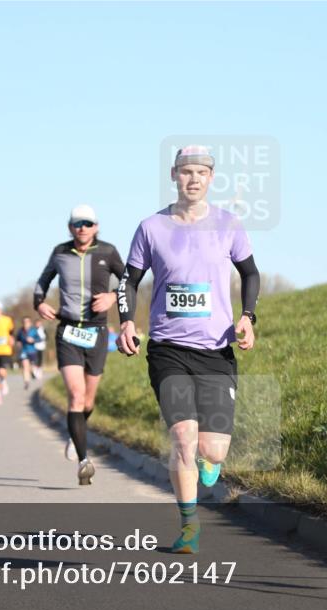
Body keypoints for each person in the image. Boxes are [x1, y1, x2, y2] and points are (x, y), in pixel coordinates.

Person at [117, 145, 260, 554]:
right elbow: (128, 280)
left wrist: (248, 316)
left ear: (211, 178)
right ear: (174, 176)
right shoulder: (151, 227)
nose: (192, 179)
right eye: (185, 172)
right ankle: (189, 524)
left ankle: (208, 462)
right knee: (182, 436)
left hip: (215, 349)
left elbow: (249, 272)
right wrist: (127, 321)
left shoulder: (229, 224)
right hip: (167, 348)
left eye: (200, 172)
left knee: (212, 450)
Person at [34, 204, 126, 485]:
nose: (82, 228)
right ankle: (84, 461)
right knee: (75, 395)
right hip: (68, 332)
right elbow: (42, 281)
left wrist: (112, 297)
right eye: (77, 224)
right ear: (70, 227)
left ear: (96, 227)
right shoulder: (60, 252)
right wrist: (39, 303)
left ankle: (77, 434)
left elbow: (129, 281)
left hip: (97, 333)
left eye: (87, 224)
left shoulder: (107, 252)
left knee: (88, 400)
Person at [17, 316, 41, 389]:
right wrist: (18, 343)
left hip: (32, 351)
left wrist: (33, 340)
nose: (25, 323)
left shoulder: (34, 330)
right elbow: (18, 339)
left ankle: (33, 372)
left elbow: (39, 339)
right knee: (25, 366)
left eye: (27, 322)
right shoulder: (20, 331)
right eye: (24, 322)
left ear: (30, 323)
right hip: (24, 350)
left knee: (31, 367)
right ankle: (26, 382)